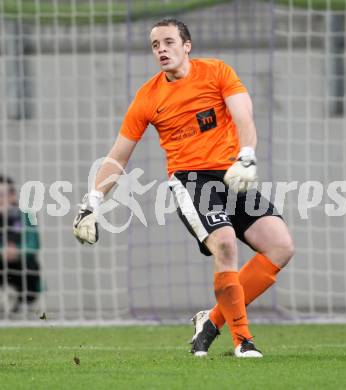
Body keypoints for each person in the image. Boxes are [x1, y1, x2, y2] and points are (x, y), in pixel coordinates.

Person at [73, 17, 294, 358]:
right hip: (191, 180)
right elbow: (118, 157)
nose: (161, 49)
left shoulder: (218, 72)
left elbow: (244, 117)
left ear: (186, 45)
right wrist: (92, 202)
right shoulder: (148, 96)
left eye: (168, 42)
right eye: (155, 45)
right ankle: (243, 340)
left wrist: (247, 156)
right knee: (224, 244)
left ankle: (211, 320)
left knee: (280, 246)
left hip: (233, 173)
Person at [0, 175, 42, 313]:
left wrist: (17, 252)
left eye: (2, 195)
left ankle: (25, 300)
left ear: (13, 195)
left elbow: (33, 244)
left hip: (20, 264)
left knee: (29, 264)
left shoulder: (26, 215)